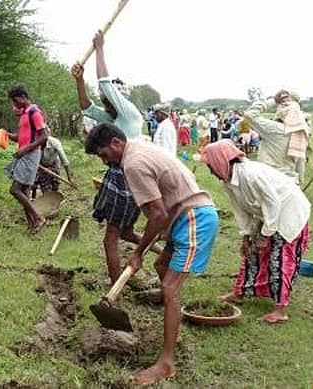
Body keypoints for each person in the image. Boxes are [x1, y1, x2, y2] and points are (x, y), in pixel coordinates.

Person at [85, 123, 218, 386]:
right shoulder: (137, 150)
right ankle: (173, 319)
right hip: (182, 217)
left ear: (115, 143)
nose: (104, 162)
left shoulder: (132, 163)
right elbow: (160, 213)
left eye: (103, 155)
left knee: (170, 288)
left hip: (195, 219)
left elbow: (157, 214)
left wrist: (137, 252)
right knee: (162, 266)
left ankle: (166, 363)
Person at [71, 31, 161, 284]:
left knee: (110, 236)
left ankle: (114, 288)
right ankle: (157, 248)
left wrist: (100, 48)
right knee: (125, 231)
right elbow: (86, 107)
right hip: (121, 175)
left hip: (127, 176)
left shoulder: (128, 113)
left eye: (107, 100)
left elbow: (104, 82)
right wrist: (79, 80)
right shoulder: (112, 118)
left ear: (115, 99)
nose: (104, 104)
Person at [201, 140, 310, 323]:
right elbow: (241, 210)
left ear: (221, 161)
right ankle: (241, 293)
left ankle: (280, 310)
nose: (211, 171)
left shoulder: (251, 175)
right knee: (252, 254)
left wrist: (265, 236)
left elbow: (273, 203)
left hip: (288, 211)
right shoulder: (228, 180)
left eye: (211, 165)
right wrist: (246, 237)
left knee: (279, 258)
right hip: (267, 213)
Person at [4, 85, 47, 234]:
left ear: (23, 97)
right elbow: (22, 137)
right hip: (24, 154)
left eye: (15, 101)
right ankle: (32, 224)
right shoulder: (24, 115)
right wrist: (6, 134)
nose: (14, 105)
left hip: (30, 154)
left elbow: (44, 136)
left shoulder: (34, 112)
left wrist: (25, 149)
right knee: (24, 191)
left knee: (15, 190)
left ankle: (38, 217)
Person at [244, 93, 309, 184]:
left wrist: (273, 100)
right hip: (290, 184)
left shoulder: (276, 128)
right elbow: (300, 164)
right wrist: (299, 185)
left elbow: (250, 115)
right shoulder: (301, 133)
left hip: (270, 181)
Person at [32, 131, 75, 198]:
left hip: (54, 163)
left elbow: (64, 160)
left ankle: (54, 198)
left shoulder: (55, 142)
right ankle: (36, 198)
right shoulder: (33, 143)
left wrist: (69, 177)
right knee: (44, 187)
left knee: (55, 185)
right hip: (41, 166)